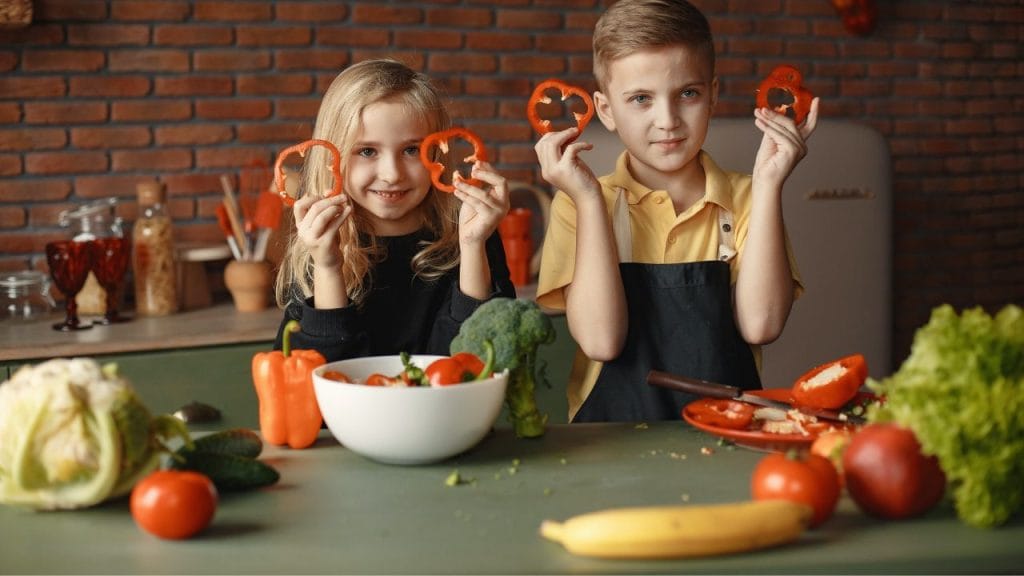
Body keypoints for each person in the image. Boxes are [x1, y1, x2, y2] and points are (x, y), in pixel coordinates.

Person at [534, 0, 819, 422]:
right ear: (607, 110)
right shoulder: (579, 202)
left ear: (713, 95)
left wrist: (770, 183)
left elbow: (762, 325)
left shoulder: (747, 197)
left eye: (687, 93)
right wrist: (591, 201)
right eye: (641, 99)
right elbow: (601, 341)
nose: (667, 120)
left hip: (725, 436)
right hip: (609, 442)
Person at [273, 59, 516, 361]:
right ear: (331, 156)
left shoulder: (471, 233)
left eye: (411, 150)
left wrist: (472, 246)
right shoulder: (318, 246)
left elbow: (481, 362)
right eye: (367, 151)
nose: (391, 174)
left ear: (439, 151)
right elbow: (318, 377)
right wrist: (328, 267)